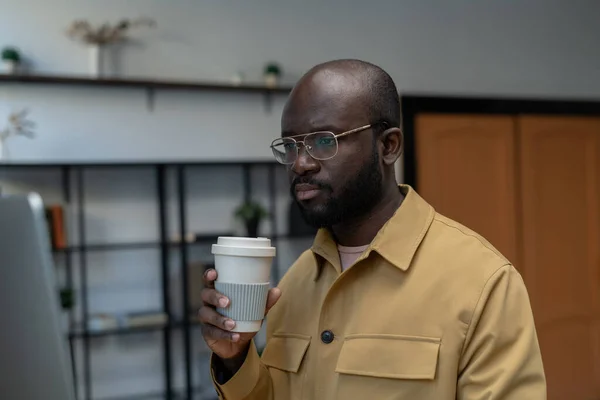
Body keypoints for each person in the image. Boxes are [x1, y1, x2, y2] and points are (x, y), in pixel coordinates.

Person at [199, 59, 547, 399]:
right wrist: (235, 358)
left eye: (324, 141)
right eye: (291, 146)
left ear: (388, 146)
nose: (301, 163)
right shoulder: (294, 283)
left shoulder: (483, 283)